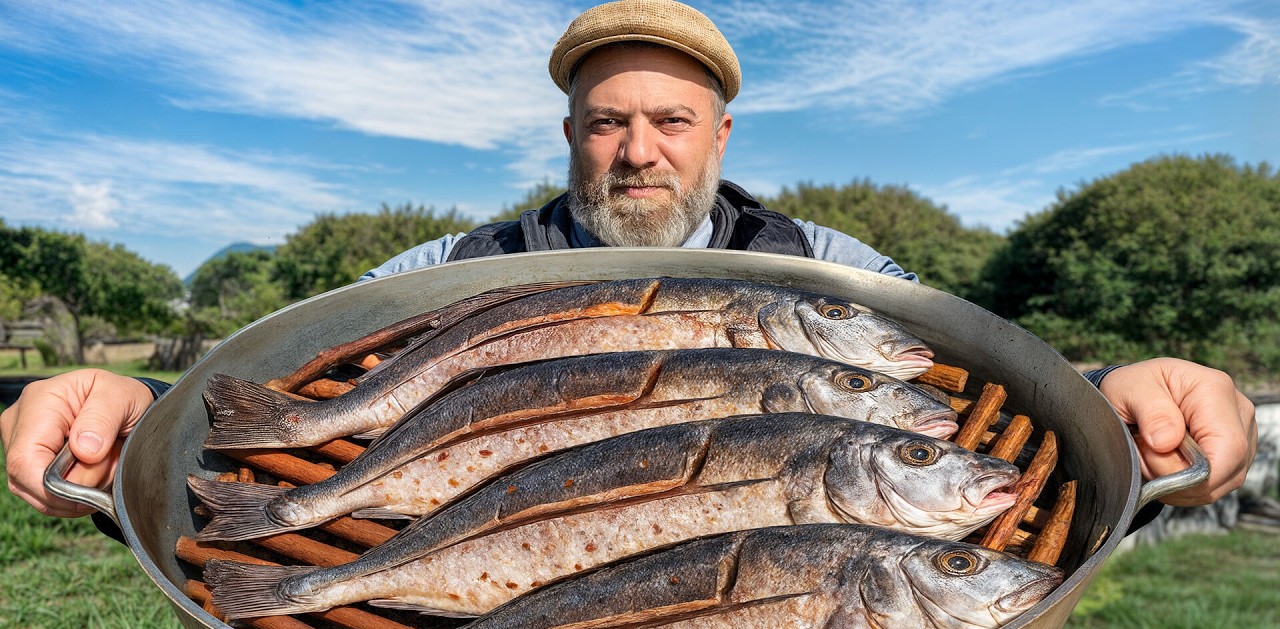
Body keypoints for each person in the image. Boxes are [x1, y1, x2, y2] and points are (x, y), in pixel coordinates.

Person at [1, 0, 1258, 524]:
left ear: (719, 136)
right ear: (568, 139)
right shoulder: (458, 264)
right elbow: (283, 379)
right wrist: (145, 411)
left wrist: (1115, 383)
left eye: (669, 122)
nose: (636, 153)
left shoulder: (824, 268)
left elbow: (976, 379)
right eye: (608, 121)